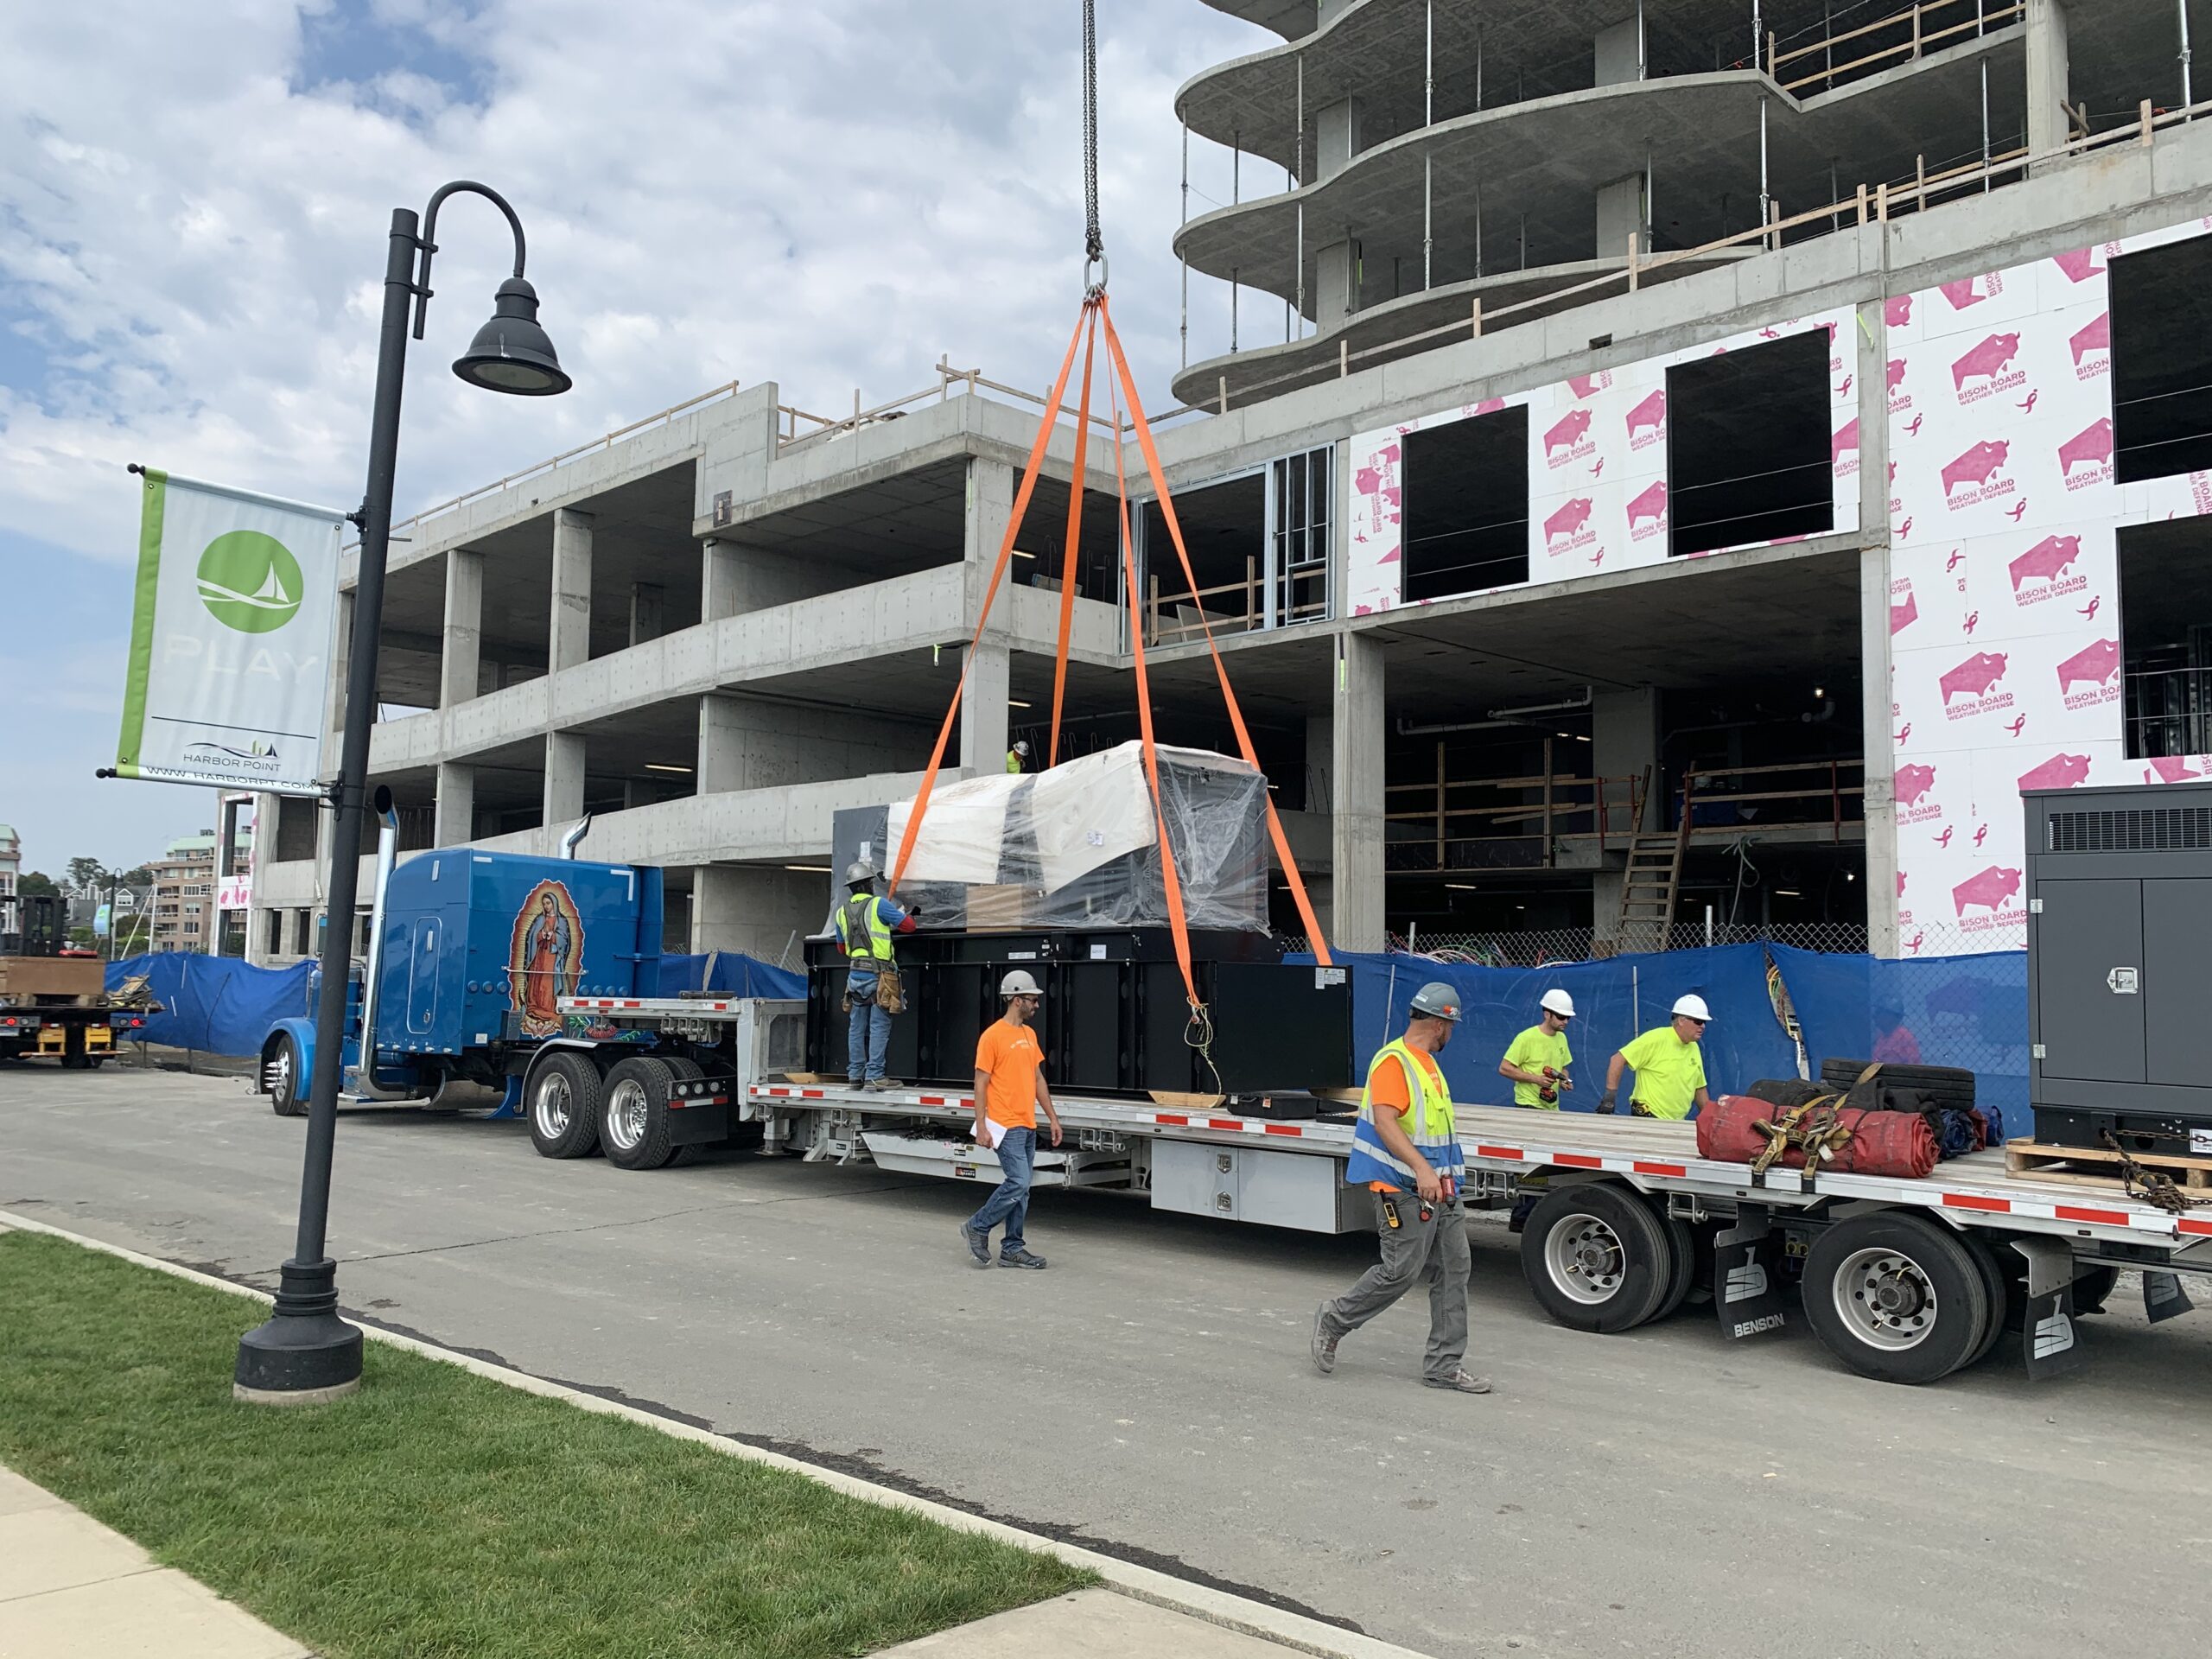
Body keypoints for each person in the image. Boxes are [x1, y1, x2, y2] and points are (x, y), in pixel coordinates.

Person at [1311, 982, 1491, 1395]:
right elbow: (1386, 1121)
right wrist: (1422, 1170)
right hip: (1402, 1188)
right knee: (1400, 1271)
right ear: (1442, 1022)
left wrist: (1441, 1178)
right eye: (1452, 1026)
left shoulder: (1426, 1063)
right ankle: (1334, 1320)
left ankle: (1444, 1366)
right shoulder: (1394, 1061)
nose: (1452, 1034)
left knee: (1453, 1270)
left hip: (1440, 1190)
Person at [962, 969, 1064, 1270]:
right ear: (1017, 1000)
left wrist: (1052, 1119)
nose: (1037, 1005)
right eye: (1033, 1000)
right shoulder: (992, 1036)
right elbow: (980, 1082)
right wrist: (981, 1125)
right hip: (1005, 1125)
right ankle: (978, 1226)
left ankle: (1012, 1248)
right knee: (1018, 1182)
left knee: (1023, 1189)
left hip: (1027, 1124)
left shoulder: (1028, 1035)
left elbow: (1037, 1080)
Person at [831, 859, 918, 1091]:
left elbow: (841, 949)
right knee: (879, 1026)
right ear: (868, 884)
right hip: (879, 975)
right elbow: (909, 926)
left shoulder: (841, 912)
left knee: (856, 1027)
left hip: (855, 977)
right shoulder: (879, 905)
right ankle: (875, 1076)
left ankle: (855, 1076)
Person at [1600, 994, 1717, 1121]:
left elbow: (1699, 1088)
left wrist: (1710, 1119)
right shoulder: (1656, 1039)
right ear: (1681, 1021)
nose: (1703, 1026)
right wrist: (1609, 1098)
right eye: (1698, 1021)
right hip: (1648, 1119)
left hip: (1675, 1122)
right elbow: (1617, 1059)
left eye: (1704, 1022)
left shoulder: (1694, 1047)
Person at [1498, 988, 1575, 1109]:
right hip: (1528, 1105)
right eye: (1561, 1017)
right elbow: (1504, 1068)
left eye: (1568, 1017)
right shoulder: (1526, 1038)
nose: (1565, 1021)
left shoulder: (1562, 1038)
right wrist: (1536, 1079)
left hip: (1552, 1107)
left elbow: (1564, 1067)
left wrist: (1563, 1080)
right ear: (1547, 1014)